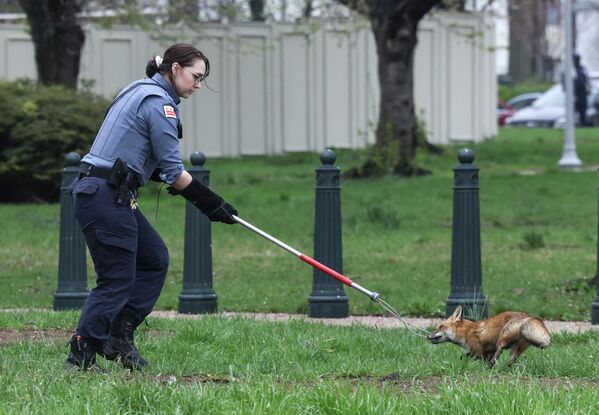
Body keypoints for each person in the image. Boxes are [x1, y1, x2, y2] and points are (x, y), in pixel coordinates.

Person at [66, 43, 238, 370]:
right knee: (116, 280)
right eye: (195, 76)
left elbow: (130, 144)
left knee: (153, 258)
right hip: (105, 194)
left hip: (103, 191)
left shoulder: (137, 89)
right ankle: (81, 355)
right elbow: (174, 172)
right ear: (175, 69)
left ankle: (119, 334)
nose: (198, 84)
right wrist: (213, 205)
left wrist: (149, 171)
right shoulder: (161, 105)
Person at [573, 54, 590, 126]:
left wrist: (588, 90)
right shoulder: (571, 70)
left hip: (582, 95)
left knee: (583, 114)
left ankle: (582, 124)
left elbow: (586, 82)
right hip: (575, 95)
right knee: (574, 114)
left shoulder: (582, 69)